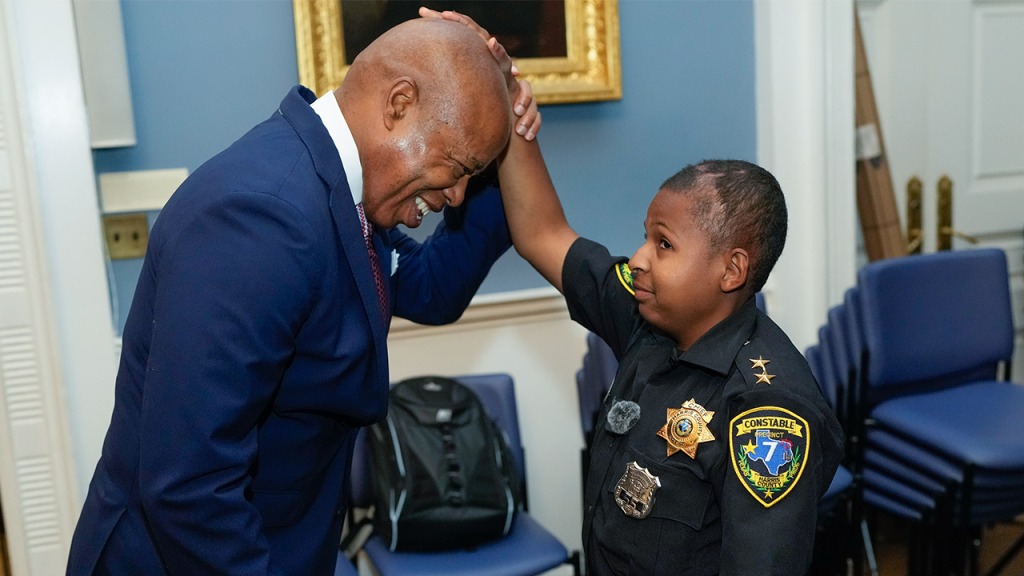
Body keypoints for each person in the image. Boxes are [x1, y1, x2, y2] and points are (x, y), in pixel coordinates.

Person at [67, 17, 540, 576]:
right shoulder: (262, 215)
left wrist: (508, 117)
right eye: (458, 168)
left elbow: (435, 289)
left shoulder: (344, 196)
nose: (458, 196)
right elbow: (191, 487)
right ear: (399, 104)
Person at [489, 47, 844, 575]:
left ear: (731, 271)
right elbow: (542, 234)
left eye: (664, 244)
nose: (639, 259)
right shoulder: (647, 318)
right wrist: (509, 102)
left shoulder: (767, 413)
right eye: (645, 237)